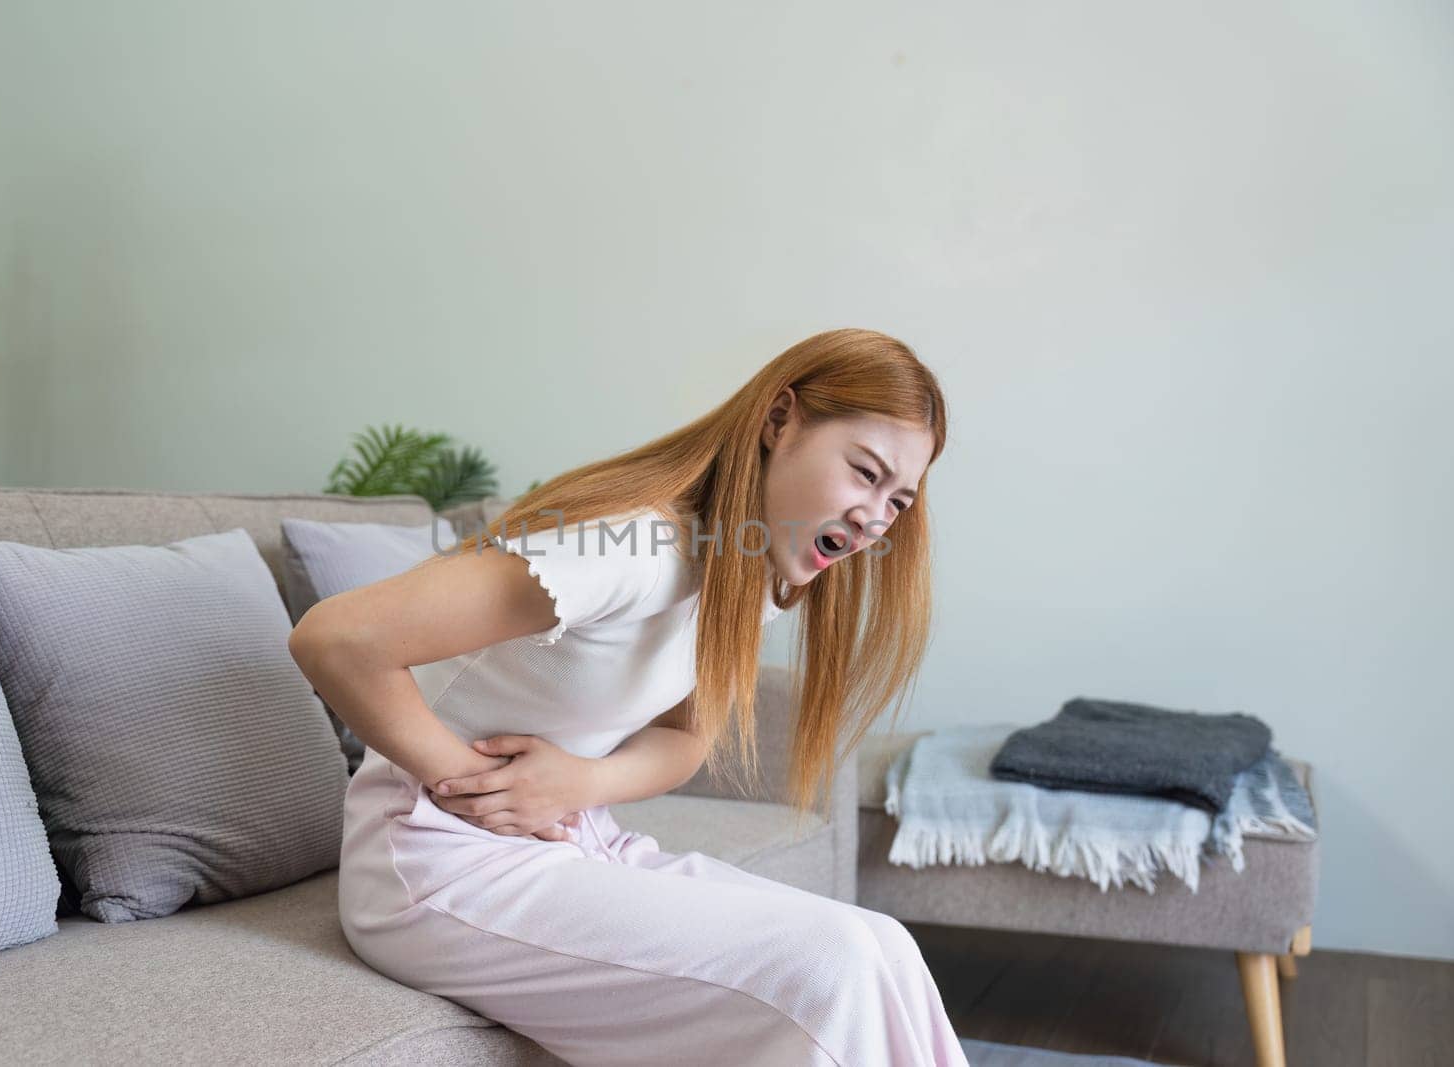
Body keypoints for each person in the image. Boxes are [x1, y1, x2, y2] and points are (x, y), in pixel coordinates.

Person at [288, 327, 970, 1066]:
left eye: (898, 500)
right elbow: (336, 638)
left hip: (567, 839)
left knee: (882, 946)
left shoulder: (750, 568)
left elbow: (688, 735)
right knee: (829, 968)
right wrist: (472, 783)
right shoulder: (626, 550)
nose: (876, 518)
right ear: (780, 420)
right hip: (431, 861)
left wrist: (579, 782)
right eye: (865, 473)